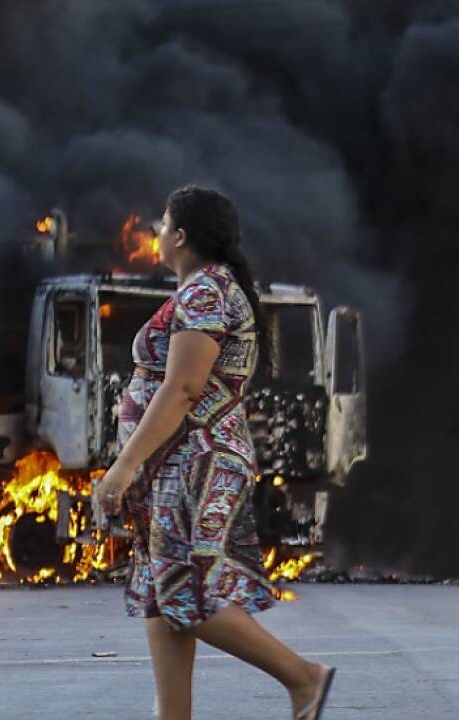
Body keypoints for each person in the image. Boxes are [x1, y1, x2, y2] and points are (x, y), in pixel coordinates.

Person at [93, 186, 334, 720]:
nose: (155, 234)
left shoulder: (205, 293)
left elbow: (182, 388)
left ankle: (304, 678)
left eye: (161, 224)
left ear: (180, 235)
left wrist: (124, 465)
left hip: (195, 461)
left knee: (184, 592)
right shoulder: (206, 289)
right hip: (179, 461)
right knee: (163, 591)